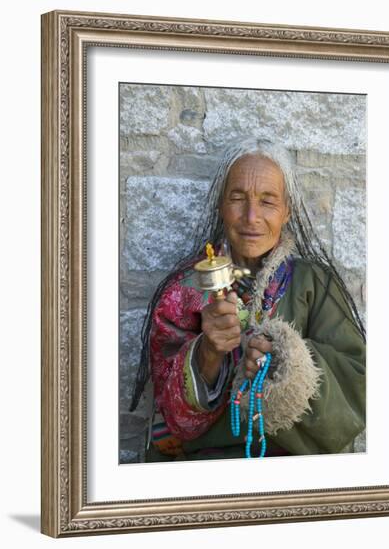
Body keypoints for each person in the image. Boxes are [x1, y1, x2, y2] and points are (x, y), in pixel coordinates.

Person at [129, 137, 366, 461]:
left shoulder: (316, 285)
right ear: (221, 206)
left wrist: (284, 359)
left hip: (296, 471)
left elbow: (358, 385)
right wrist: (208, 353)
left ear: (286, 211)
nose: (251, 216)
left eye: (268, 201)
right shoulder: (183, 292)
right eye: (238, 198)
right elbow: (169, 415)